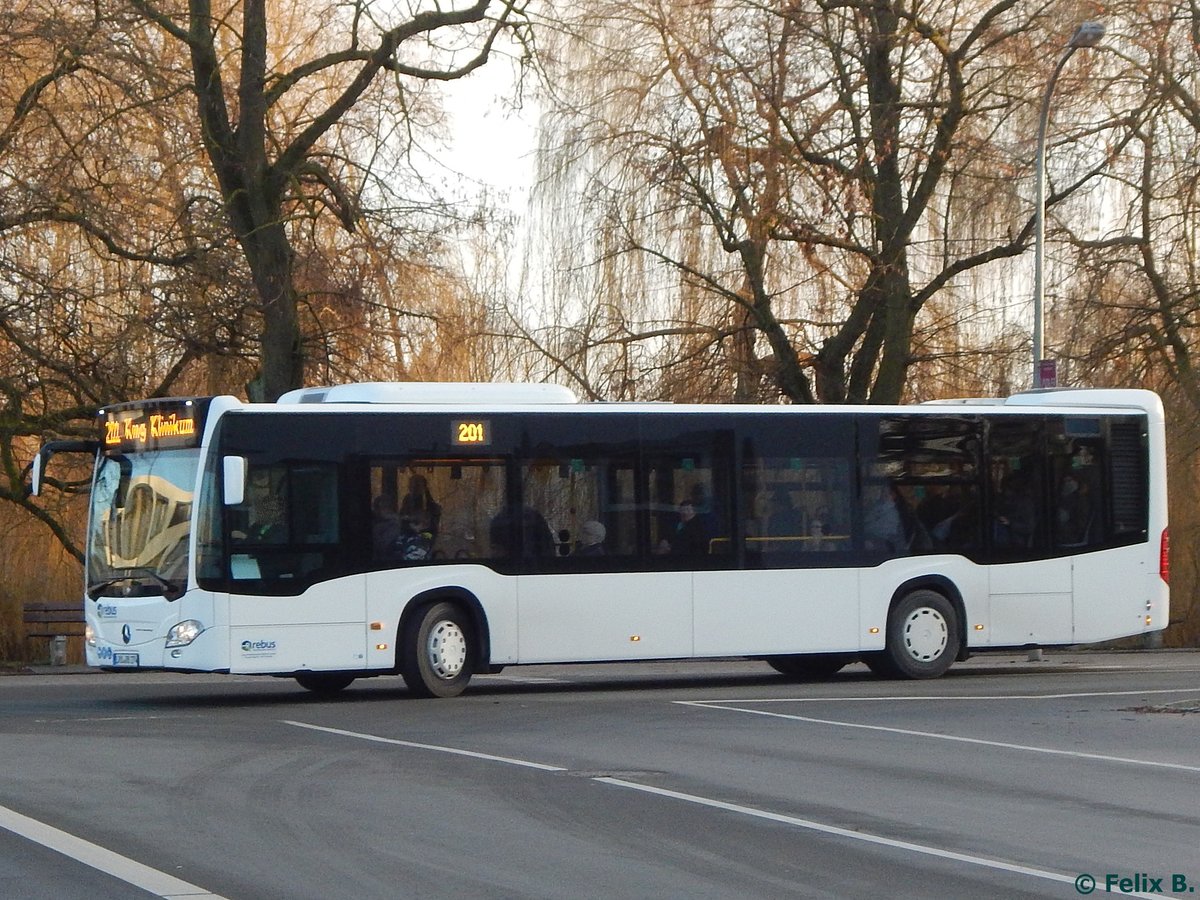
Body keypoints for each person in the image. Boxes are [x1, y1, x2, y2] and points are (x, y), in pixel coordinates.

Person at [399, 474, 441, 538]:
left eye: (417, 485)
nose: (414, 488)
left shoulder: (429, 502)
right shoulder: (407, 499)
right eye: (411, 485)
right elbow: (402, 517)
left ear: (424, 487)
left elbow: (432, 523)